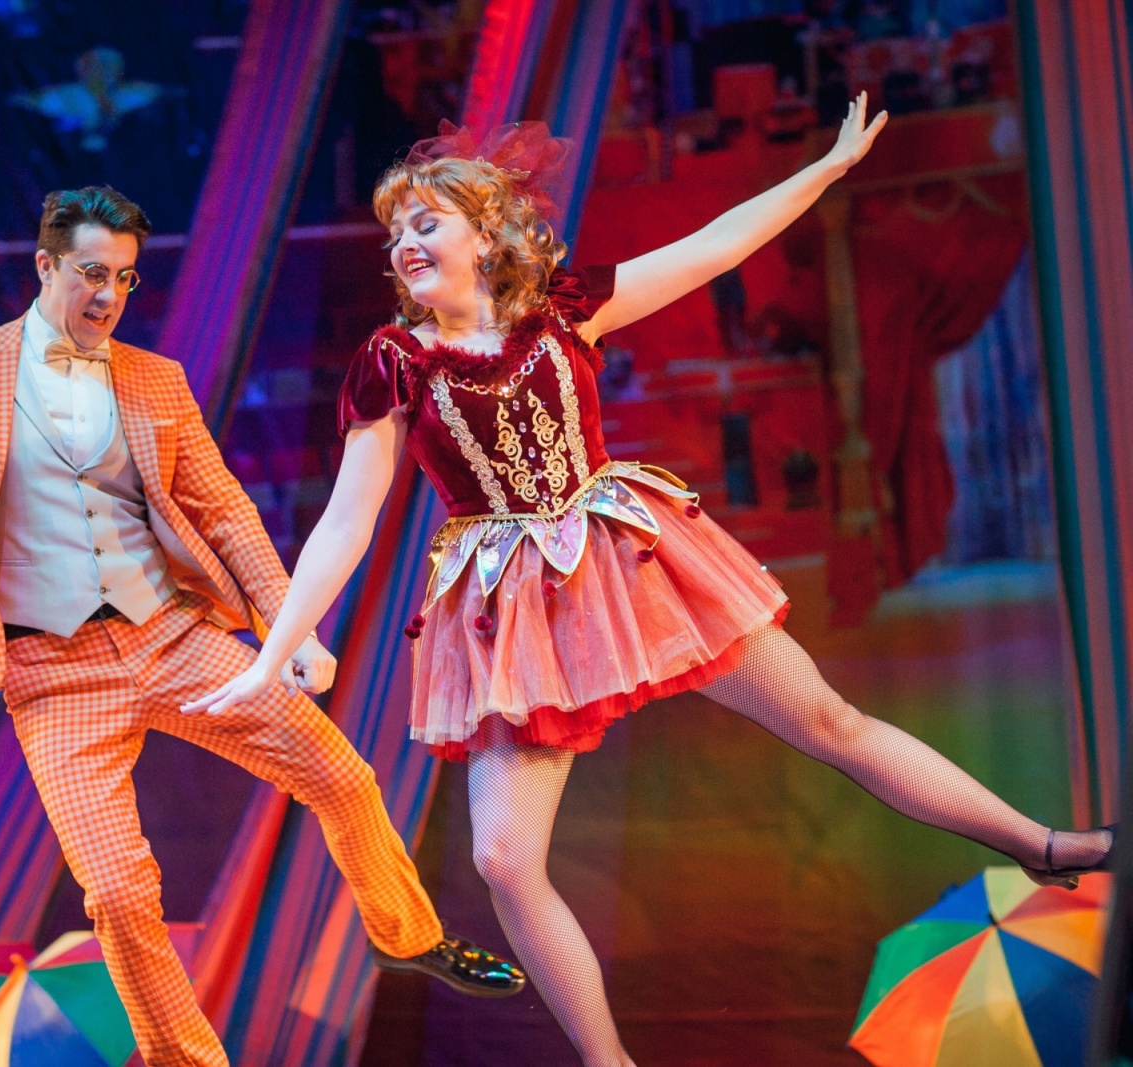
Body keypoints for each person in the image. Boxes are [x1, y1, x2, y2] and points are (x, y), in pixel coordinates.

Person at [184, 99, 1116, 1066]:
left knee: (828, 721)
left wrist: (827, 170)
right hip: (515, 609)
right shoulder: (394, 362)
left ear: (485, 236)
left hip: (632, 562)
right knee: (503, 857)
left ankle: (1044, 844)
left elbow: (712, 247)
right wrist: (272, 653)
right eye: (395, 233)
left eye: (426, 221)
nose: (404, 243)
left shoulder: (562, 310)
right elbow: (346, 520)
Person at [0, 186, 525, 1067]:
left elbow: (224, 511)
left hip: (171, 638)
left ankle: (407, 935)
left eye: (125, 278)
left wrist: (290, 630)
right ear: (46, 266)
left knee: (342, 776)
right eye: (91, 273)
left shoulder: (154, 378)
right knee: (117, 892)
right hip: (53, 675)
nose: (108, 295)